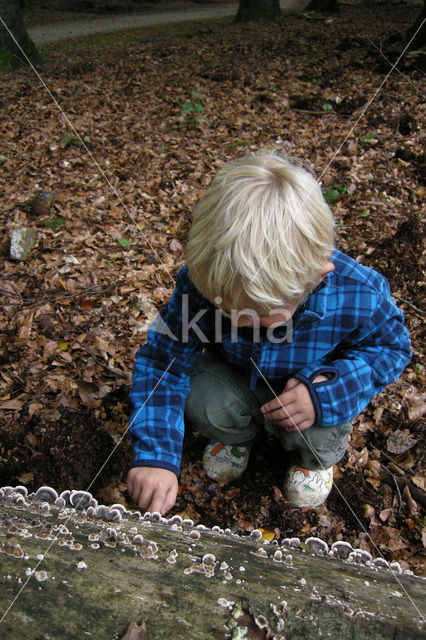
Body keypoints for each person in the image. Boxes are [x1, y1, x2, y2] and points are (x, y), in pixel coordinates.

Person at [127, 150, 411, 515]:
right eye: (224, 308)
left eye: (257, 314)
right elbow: (162, 361)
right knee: (202, 398)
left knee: (320, 429)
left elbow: (393, 347)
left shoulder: (359, 292)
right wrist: (155, 455)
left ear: (316, 277)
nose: (236, 320)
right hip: (238, 378)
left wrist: (330, 390)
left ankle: (312, 460)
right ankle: (238, 435)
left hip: (307, 393)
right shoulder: (204, 282)